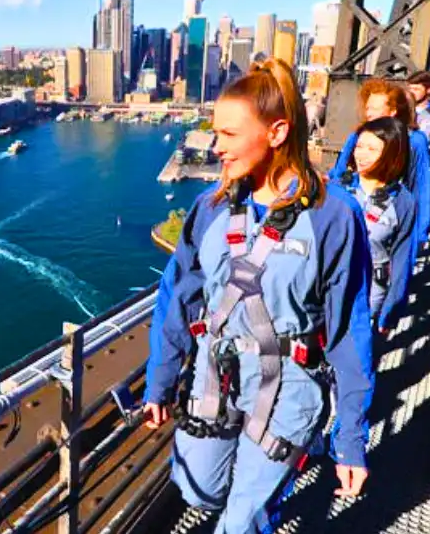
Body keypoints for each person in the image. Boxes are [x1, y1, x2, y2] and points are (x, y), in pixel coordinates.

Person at [143, 64, 373, 534]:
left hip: (289, 382)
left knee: (241, 519)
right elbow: (178, 294)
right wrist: (161, 380)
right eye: (214, 133)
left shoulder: (333, 214)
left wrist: (350, 436)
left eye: (229, 134)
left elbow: (350, 326)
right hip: (217, 370)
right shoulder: (210, 206)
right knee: (199, 488)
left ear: (277, 132)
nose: (217, 146)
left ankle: (262, 503)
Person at [329, 79, 430, 258]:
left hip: (389, 219)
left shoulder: (414, 141)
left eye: (375, 108)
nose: (369, 113)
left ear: (393, 111)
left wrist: (420, 233)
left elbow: (421, 186)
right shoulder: (357, 136)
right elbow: (339, 173)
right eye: (368, 108)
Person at [335, 117, 418, 334]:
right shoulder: (337, 188)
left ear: (391, 154)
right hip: (329, 292)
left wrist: (391, 311)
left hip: (368, 297)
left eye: (372, 149)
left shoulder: (402, 202)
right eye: (359, 146)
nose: (361, 154)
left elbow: (402, 259)